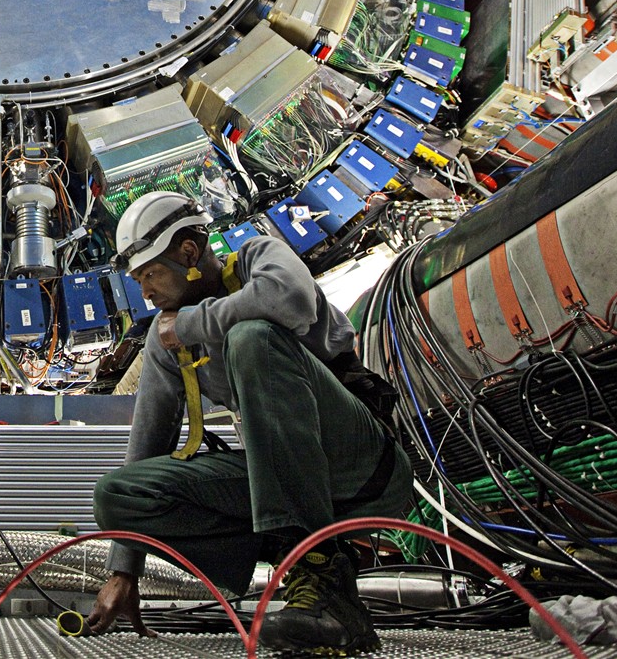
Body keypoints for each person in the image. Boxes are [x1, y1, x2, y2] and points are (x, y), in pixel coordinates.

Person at [85, 192, 411, 655]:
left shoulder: (259, 256)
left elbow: (290, 299)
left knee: (251, 337)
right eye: (138, 280)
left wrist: (194, 323)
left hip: (357, 462)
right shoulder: (165, 340)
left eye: (151, 274)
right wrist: (124, 571)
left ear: (188, 253)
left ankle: (318, 573)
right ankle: (305, 577)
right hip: (281, 477)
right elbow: (148, 444)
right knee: (119, 494)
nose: (146, 292)